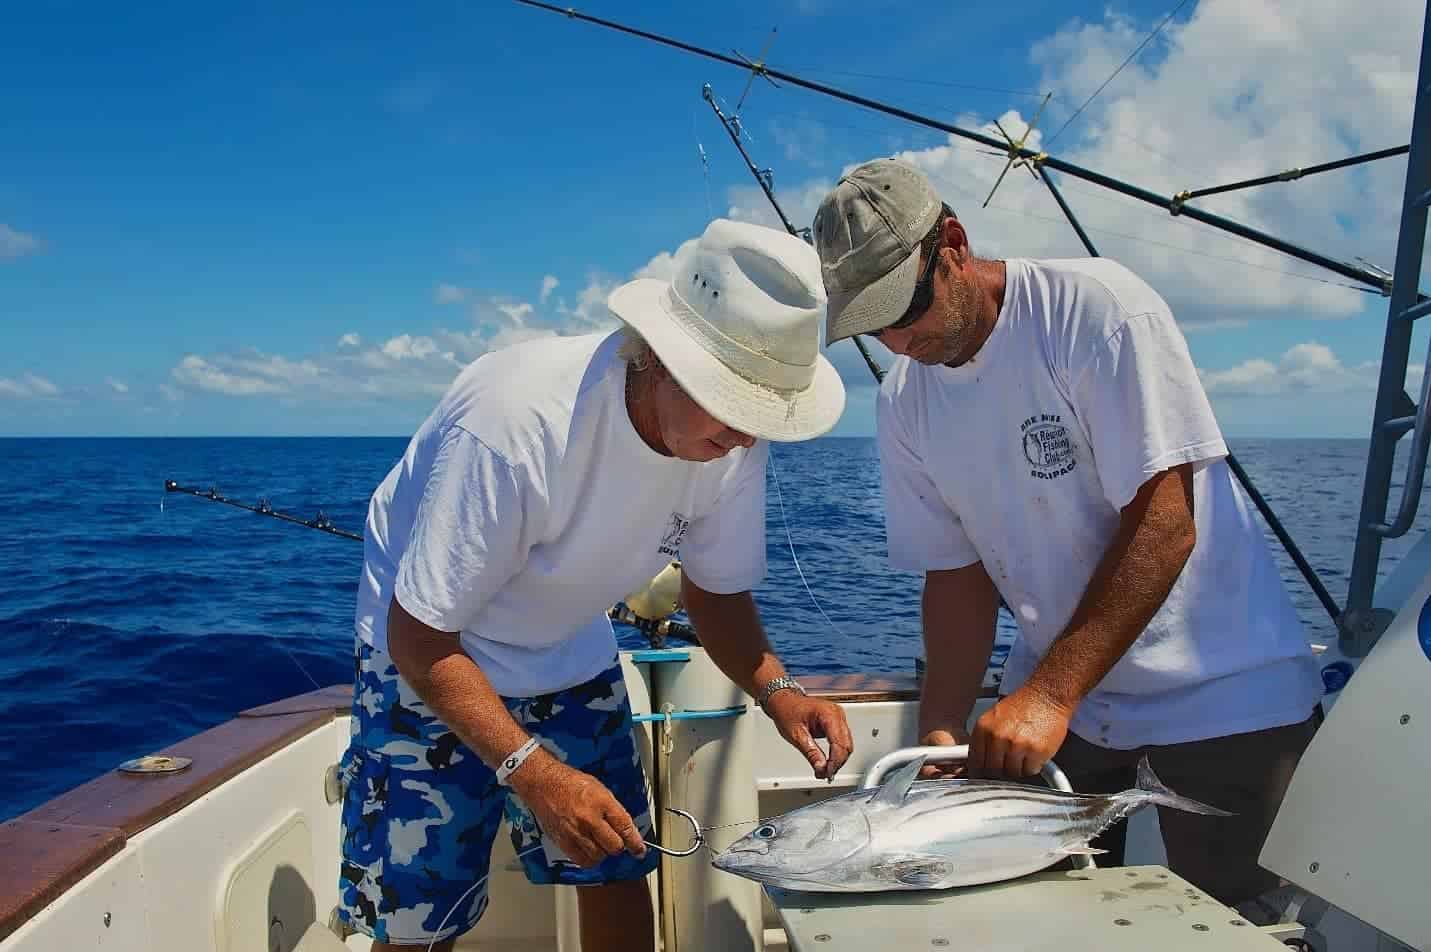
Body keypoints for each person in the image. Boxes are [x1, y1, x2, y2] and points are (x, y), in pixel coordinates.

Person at [811, 157, 1325, 912]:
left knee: (1240, 924)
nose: (897, 340)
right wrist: (946, 727)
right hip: (1066, 708)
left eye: (905, 306)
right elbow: (955, 574)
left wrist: (1048, 697)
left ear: (951, 242)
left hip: (1222, 701)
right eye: (871, 321)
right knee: (1023, 915)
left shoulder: (1096, 308)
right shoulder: (903, 404)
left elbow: (1164, 521)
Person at [337, 218, 855, 951]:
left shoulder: (732, 442)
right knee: (422, 914)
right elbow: (419, 635)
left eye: (763, 413)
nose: (746, 435)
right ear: (657, 360)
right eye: (734, 404)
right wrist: (531, 772)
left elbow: (715, 593)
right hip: (427, 652)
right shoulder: (516, 423)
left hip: (564, 645)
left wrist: (778, 689)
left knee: (615, 865)